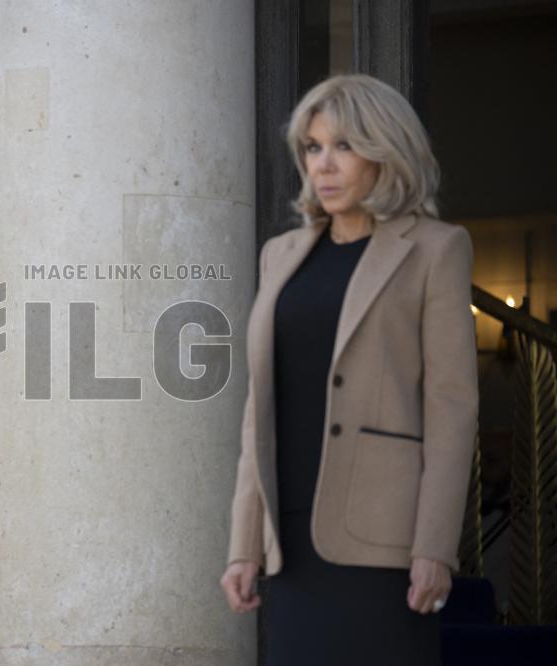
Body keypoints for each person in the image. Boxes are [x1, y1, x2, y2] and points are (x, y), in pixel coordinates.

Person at [219, 74, 478, 665]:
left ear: (386, 152)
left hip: (384, 540)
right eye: (313, 148)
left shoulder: (436, 248)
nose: (324, 166)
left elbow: (452, 406)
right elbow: (260, 410)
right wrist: (243, 546)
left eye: (344, 146)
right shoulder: (280, 256)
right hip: (289, 539)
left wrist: (435, 546)